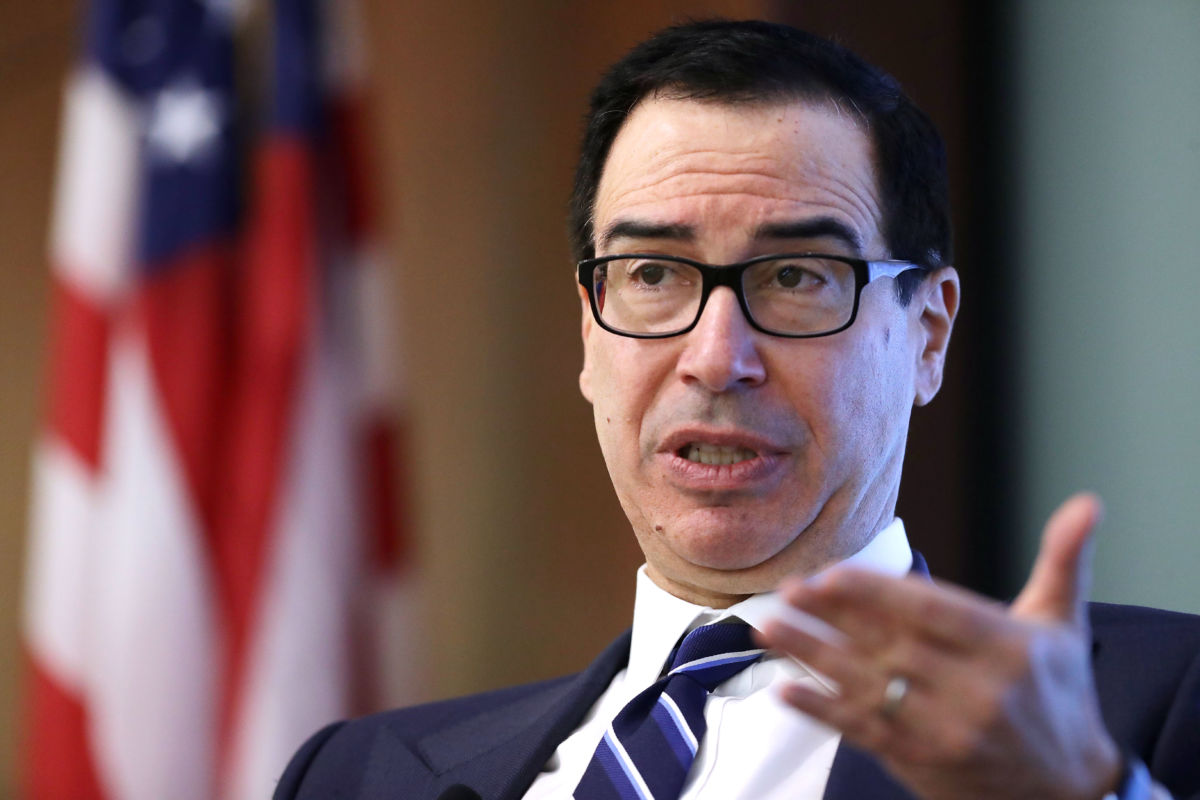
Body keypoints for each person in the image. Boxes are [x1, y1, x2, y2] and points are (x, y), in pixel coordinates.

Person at [274, 20, 1200, 800]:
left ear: (928, 334)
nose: (717, 358)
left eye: (796, 277)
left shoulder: (1131, 712)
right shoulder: (357, 774)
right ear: (589, 335)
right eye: (652, 275)